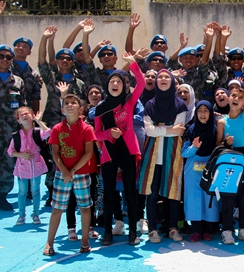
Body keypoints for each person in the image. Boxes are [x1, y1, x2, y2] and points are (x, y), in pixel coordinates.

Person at [94, 54, 145, 246]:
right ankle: (107, 231)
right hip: (108, 154)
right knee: (109, 194)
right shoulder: (100, 108)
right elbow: (96, 134)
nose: (115, 84)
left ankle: (133, 232)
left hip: (128, 152)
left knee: (131, 194)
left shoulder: (129, 101)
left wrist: (132, 63)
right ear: (107, 85)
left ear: (124, 85)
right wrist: (108, 134)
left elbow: (140, 82)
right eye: (111, 81)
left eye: (119, 81)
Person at [43, 94, 96, 256]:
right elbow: (55, 153)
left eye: (74, 103)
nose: (70, 105)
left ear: (80, 109)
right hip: (61, 175)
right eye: (67, 103)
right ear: (62, 109)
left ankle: (85, 241)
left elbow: (88, 154)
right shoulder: (57, 129)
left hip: (81, 174)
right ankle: (49, 243)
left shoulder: (87, 129)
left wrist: (72, 171)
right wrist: (65, 171)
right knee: (57, 209)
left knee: (85, 208)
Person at [139, 69, 187, 243]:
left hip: (172, 155)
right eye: (160, 77)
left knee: (172, 193)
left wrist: (160, 129)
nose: (163, 79)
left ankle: (173, 228)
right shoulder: (150, 104)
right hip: (153, 156)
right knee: (151, 194)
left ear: (173, 81)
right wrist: (169, 129)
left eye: (167, 77)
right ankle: (152, 229)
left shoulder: (180, 104)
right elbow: (148, 131)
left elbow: (179, 131)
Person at [215, 66, 244, 244]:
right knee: (228, 194)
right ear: (228, 98)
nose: (237, 99)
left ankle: (243, 229)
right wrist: (226, 143)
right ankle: (227, 230)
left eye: (241, 98)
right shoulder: (222, 121)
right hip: (229, 157)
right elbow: (217, 144)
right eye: (234, 96)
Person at [182, 100, 220, 242]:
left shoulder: (215, 130)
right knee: (194, 198)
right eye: (200, 110)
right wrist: (194, 147)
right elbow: (184, 153)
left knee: (210, 198)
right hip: (193, 169)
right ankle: (196, 230)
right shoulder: (190, 130)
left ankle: (208, 230)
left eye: (206, 110)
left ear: (211, 113)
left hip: (211, 167)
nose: (203, 114)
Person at [8, 107, 51, 226]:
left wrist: (39, 121)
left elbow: (49, 133)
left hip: (36, 166)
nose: (24, 115)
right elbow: (10, 151)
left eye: (26, 113)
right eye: (20, 115)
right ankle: (21, 215)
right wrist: (21, 155)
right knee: (22, 192)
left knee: (36, 191)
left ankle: (36, 213)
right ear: (18, 120)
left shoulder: (38, 132)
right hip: (22, 167)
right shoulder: (16, 135)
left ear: (32, 116)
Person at [0, 44, 27, 211]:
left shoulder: (18, 81)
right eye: (1, 56)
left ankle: (2, 196)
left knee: (8, 162)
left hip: (10, 129)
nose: (4, 59)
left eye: (8, 57)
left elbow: (22, 106)